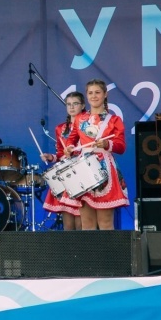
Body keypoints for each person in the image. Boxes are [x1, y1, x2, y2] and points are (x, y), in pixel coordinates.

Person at [64, 79, 129, 230]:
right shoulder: (80, 119)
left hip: (104, 169)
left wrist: (107, 144)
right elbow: (72, 139)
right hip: (83, 169)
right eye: (90, 93)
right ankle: (90, 247)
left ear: (105, 94)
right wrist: (69, 148)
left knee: (105, 223)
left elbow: (121, 147)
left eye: (97, 92)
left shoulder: (114, 120)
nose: (94, 96)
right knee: (87, 223)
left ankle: (108, 247)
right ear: (86, 95)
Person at [40, 92, 86, 231]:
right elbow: (61, 154)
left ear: (83, 105)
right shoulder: (61, 128)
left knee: (81, 223)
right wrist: (51, 157)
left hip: (83, 173)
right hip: (67, 175)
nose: (71, 107)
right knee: (68, 225)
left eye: (75, 104)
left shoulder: (88, 125)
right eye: (68, 104)